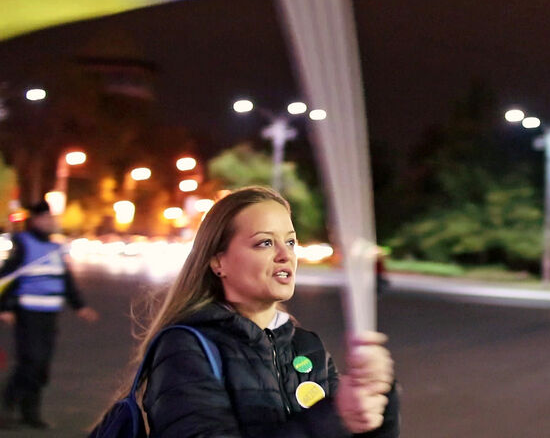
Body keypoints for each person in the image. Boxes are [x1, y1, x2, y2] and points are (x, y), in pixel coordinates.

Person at [133, 186, 399, 437]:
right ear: (218, 262)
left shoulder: (306, 346)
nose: (286, 255)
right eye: (265, 243)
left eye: (291, 242)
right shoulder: (185, 348)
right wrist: (334, 417)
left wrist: (378, 399)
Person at [0, 200, 99, 429]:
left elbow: (65, 279)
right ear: (35, 220)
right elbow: (8, 275)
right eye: (46, 218)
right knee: (31, 361)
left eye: (51, 218)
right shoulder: (22, 243)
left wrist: (80, 306)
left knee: (42, 364)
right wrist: (4, 307)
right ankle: (14, 402)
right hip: (27, 312)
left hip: (50, 314)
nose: (50, 222)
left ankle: (26, 407)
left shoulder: (55, 248)